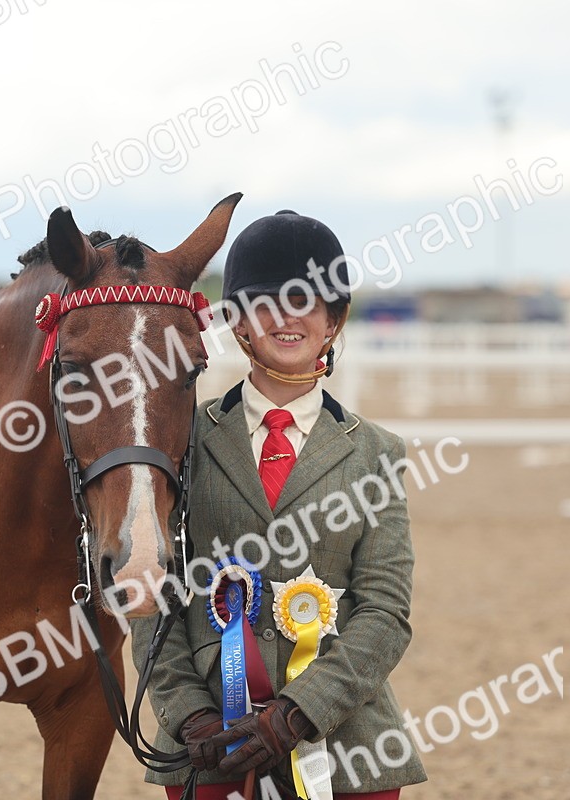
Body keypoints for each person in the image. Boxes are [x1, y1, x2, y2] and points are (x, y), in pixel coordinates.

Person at [131, 210, 427, 799]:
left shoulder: (376, 454)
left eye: (308, 302)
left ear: (333, 321)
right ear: (238, 321)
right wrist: (189, 715)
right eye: (267, 302)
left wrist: (298, 712)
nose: (288, 318)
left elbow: (385, 610)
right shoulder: (181, 447)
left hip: (346, 746)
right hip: (210, 746)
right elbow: (153, 600)